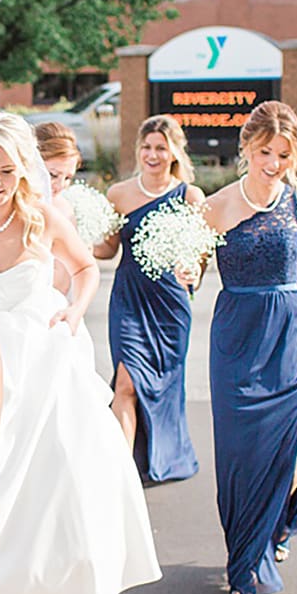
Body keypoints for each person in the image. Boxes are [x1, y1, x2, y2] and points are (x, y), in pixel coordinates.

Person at [0, 115, 159, 594]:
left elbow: (85, 269)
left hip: (38, 365)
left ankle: (28, 592)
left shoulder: (43, 218)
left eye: (6, 170)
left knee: (35, 491)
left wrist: (73, 309)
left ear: (24, 170)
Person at [201, 102, 297, 594]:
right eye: (264, 152)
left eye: (283, 154)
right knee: (241, 458)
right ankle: (244, 562)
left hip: (286, 337)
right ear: (246, 148)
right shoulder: (214, 207)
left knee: (292, 458)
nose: (273, 163)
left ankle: (272, 531)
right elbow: (189, 272)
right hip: (236, 339)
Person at [97, 115, 204, 485]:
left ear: (175, 152)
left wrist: (193, 272)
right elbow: (107, 249)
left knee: (163, 385)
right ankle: (121, 473)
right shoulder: (119, 194)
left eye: (161, 147)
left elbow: (199, 258)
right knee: (125, 382)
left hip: (170, 307)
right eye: (146, 147)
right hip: (128, 299)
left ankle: (165, 455)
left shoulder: (190, 197)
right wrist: (74, 232)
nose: (152, 154)